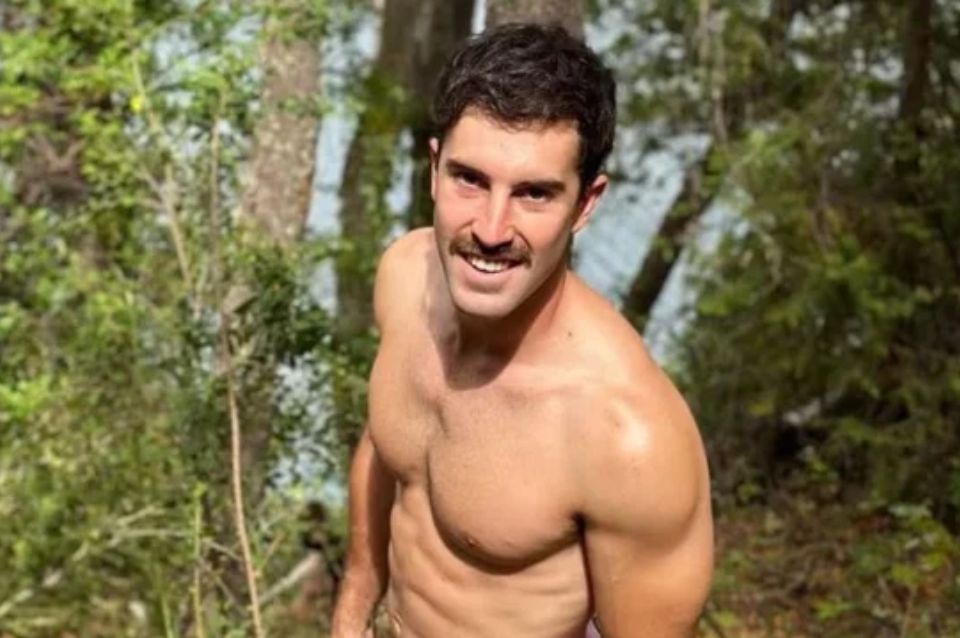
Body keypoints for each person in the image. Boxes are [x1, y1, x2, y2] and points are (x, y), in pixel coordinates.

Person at [330, 23, 713, 638]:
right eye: (470, 179)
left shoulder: (625, 436)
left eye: (534, 194)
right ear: (434, 168)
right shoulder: (405, 278)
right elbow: (384, 445)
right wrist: (351, 615)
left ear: (585, 204)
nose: (490, 229)